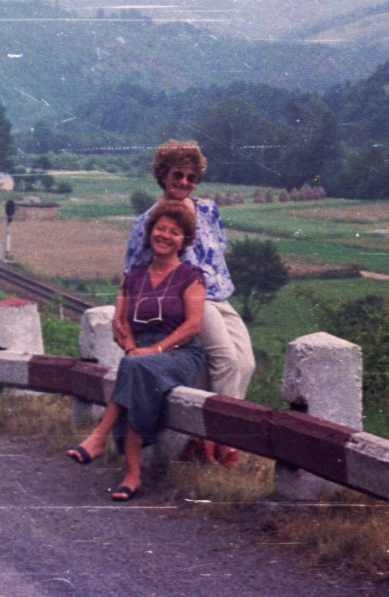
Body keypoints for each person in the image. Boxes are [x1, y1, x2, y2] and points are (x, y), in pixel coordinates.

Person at [122, 140, 254, 465]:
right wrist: (126, 319)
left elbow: (218, 252)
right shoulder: (148, 221)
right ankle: (221, 446)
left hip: (221, 294)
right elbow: (132, 271)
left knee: (246, 363)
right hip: (189, 300)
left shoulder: (208, 210)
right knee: (225, 361)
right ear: (163, 175)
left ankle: (198, 437)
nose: (184, 183)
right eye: (177, 175)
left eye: (191, 177)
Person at [65, 199, 205, 500]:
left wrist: (154, 349)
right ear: (150, 231)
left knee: (133, 368)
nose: (166, 235)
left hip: (180, 354)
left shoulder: (190, 276)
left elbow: (193, 326)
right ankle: (131, 475)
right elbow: (121, 321)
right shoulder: (135, 276)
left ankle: (101, 438)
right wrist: (129, 345)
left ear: (184, 241)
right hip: (141, 356)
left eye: (175, 232)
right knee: (134, 370)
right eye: (161, 228)